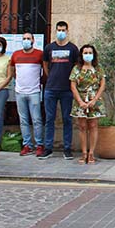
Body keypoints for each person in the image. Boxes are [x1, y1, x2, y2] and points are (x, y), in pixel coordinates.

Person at [42, 21, 79, 160]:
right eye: (59, 30)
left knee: (67, 119)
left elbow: (76, 66)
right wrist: (51, 76)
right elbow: (45, 64)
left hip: (67, 90)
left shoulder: (73, 49)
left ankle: (67, 148)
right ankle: (48, 148)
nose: (61, 32)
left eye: (63, 30)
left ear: (67, 31)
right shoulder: (49, 48)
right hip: (51, 89)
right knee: (49, 119)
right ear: (55, 31)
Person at [70, 44, 106, 165]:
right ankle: (84, 153)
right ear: (81, 55)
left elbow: (102, 84)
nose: (88, 55)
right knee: (82, 126)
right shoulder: (77, 69)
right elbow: (73, 86)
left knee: (93, 125)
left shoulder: (98, 68)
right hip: (80, 99)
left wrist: (95, 99)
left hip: (94, 99)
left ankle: (91, 153)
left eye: (90, 53)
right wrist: (80, 101)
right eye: (85, 53)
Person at [10, 33, 45, 157]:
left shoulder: (39, 54)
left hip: (34, 91)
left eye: (28, 38)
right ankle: (27, 145)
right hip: (20, 92)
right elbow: (13, 71)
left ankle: (39, 144)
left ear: (33, 40)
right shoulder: (16, 54)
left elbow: (45, 70)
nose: (26, 40)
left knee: (36, 119)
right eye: (24, 38)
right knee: (23, 120)